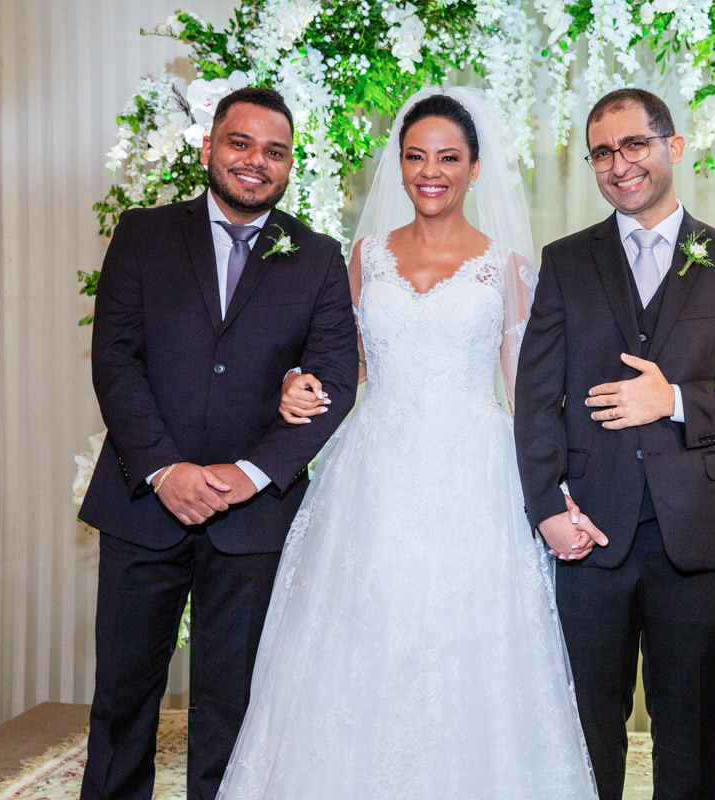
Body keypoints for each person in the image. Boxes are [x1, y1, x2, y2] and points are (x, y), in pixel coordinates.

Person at [216, 88, 598, 799]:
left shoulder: (507, 267)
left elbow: (529, 395)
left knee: (467, 645)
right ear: (399, 165)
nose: (431, 172)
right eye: (417, 157)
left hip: (475, 477)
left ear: (475, 168)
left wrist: (556, 492)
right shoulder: (365, 256)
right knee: (360, 637)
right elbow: (345, 366)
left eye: (448, 158)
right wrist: (298, 382)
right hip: (375, 472)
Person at [513, 88, 715, 800]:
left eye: (634, 144)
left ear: (672, 147)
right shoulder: (566, 261)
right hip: (589, 528)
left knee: (688, 727)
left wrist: (672, 399)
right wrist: (547, 508)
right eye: (602, 153)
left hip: (697, 531)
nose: (620, 164)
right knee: (587, 725)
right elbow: (535, 398)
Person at [77, 87, 359, 800]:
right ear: (209, 147)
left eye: (275, 151)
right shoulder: (144, 234)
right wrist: (164, 469)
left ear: (290, 164)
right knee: (123, 696)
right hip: (144, 504)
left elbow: (333, 381)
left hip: (253, 517)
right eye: (240, 143)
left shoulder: (319, 256)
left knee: (232, 703)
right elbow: (114, 361)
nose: (256, 161)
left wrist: (251, 473)